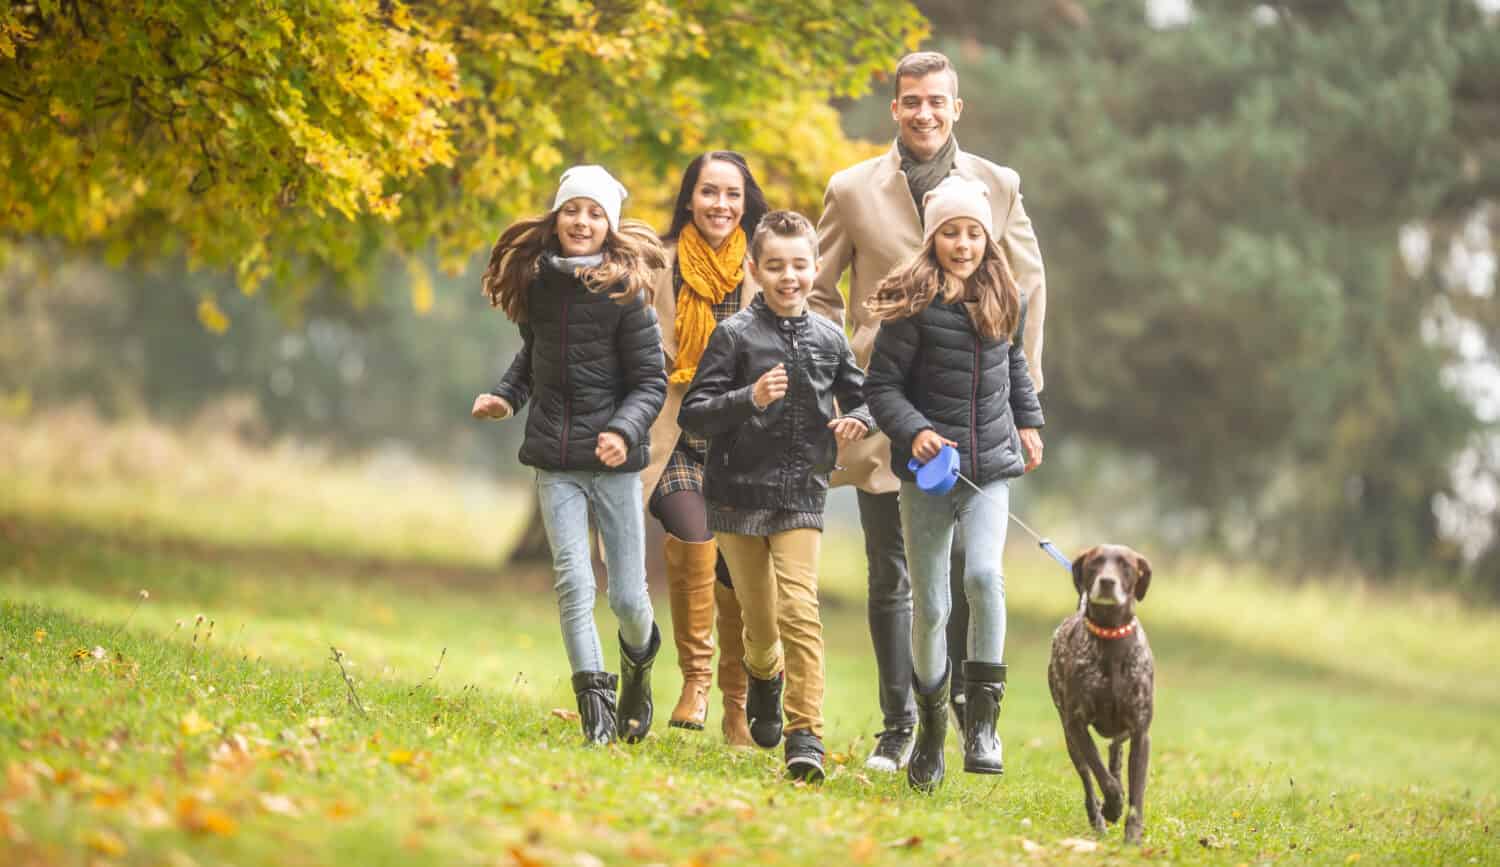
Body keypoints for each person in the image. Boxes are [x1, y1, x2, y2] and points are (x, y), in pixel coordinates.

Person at [809, 50, 1048, 771]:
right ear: (895, 107)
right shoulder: (851, 190)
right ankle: (898, 725)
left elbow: (1027, 290)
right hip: (885, 404)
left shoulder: (997, 186)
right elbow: (818, 292)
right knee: (893, 571)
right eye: (911, 100)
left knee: (972, 573)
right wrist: (844, 381)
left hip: (977, 415)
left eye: (936, 101)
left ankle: (972, 717)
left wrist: (1022, 402)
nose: (924, 112)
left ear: (956, 108)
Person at [472, 165, 668, 746]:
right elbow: (533, 357)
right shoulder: (540, 285)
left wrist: (622, 432)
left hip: (612, 465)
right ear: (556, 218)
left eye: (594, 213)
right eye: (572, 210)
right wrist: (506, 398)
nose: (581, 221)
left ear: (610, 225)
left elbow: (650, 383)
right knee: (573, 583)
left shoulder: (626, 295)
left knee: (629, 598)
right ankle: (597, 716)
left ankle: (637, 669)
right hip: (554, 462)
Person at [678, 210, 875, 781]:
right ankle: (765, 674)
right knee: (759, 625)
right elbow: (695, 412)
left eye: (799, 265)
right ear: (754, 270)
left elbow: (860, 397)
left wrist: (857, 420)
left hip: (801, 493)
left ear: (817, 268)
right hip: (737, 495)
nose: (789, 277)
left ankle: (805, 735)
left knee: (799, 608)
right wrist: (750, 396)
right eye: (775, 266)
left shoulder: (829, 337)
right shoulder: (734, 334)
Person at [864, 175, 1044, 792]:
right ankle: (933, 733)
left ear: (987, 237)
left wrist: (1028, 421)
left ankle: (985, 723)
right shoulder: (914, 307)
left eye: (973, 232)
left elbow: (1013, 362)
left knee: (985, 576)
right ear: (933, 237)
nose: (962, 243)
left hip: (991, 464)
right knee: (933, 604)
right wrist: (914, 432)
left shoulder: (1004, 295)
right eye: (950, 232)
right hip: (929, 472)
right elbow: (880, 389)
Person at [639, 151, 768, 745]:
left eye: (732, 195)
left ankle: (738, 705)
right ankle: (695, 682)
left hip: (741, 445)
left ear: (746, 202)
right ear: (689, 197)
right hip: (674, 441)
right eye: (709, 192)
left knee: (738, 571)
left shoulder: (766, 273)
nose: (721, 205)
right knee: (694, 536)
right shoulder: (656, 265)